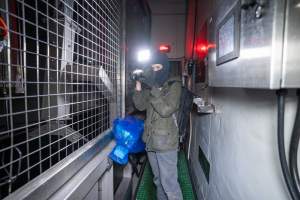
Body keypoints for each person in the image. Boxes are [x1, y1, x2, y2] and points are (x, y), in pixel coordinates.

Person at [133, 52, 183, 200]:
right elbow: (140, 105)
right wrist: (139, 84)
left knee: (170, 185)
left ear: (165, 67)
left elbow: (166, 109)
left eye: (158, 66)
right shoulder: (151, 86)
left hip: (166, 142)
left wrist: (153, 88)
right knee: (158, 181)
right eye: (152, 67)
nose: (155, 70)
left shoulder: (174, 85)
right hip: (151, 141)